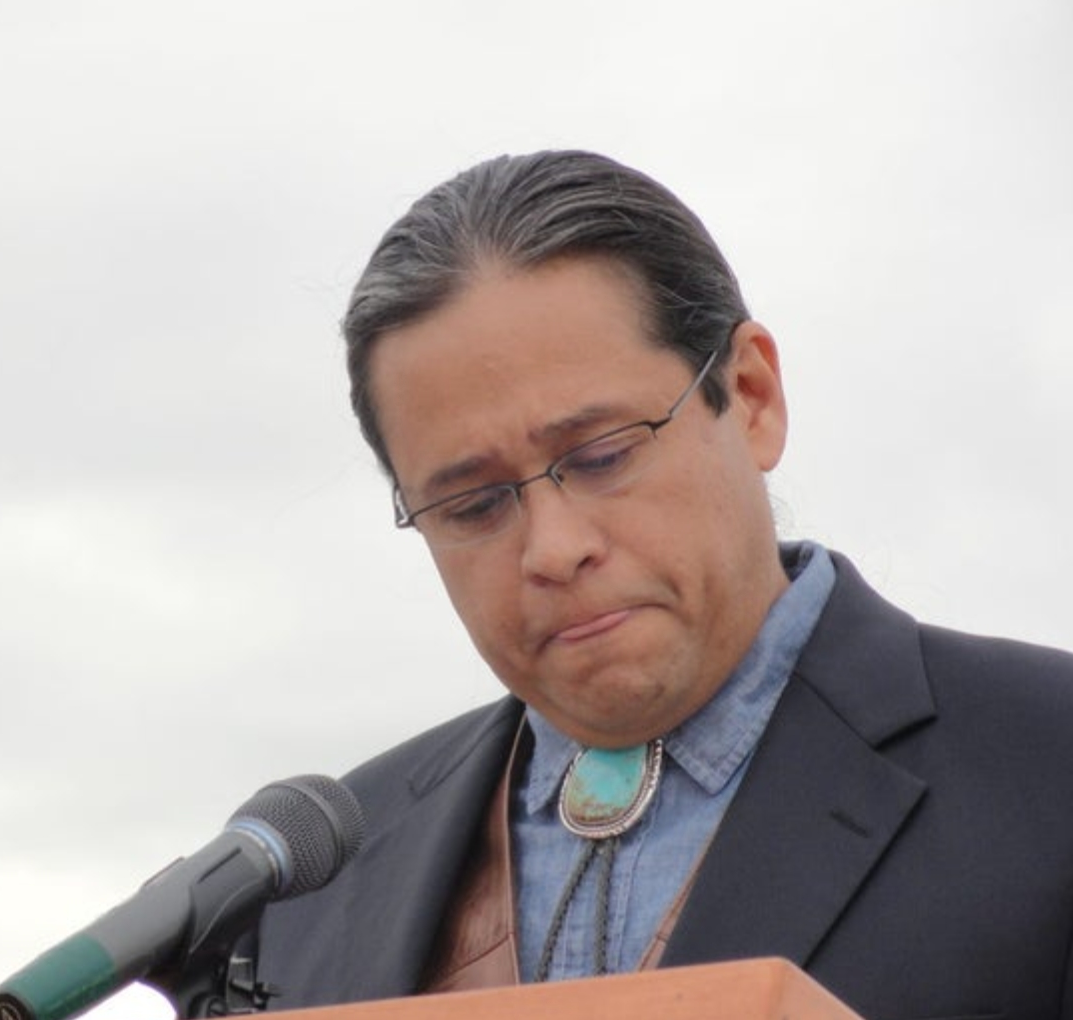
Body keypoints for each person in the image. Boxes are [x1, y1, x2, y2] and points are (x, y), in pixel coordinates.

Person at [255, 151, 1073, 1020]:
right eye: (473, 504)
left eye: (603, 456)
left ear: (752, 396)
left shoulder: (1048, 762)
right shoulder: (309, 879)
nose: (553, 548)